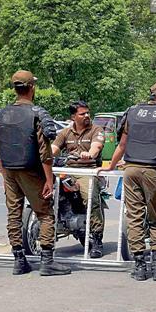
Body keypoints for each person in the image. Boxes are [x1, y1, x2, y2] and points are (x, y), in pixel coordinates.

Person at [0, 70, 70, 276]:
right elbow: (45, 153)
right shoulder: (37, 113)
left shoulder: (1, 114)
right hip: (31, 171)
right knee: (45, 213)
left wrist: (5, 176)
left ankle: (19, 260)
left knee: (14, 215)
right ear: (32, 88)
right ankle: (47, 261)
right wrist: (49, 180)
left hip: (9, 170)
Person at [104, 83, 156, 282]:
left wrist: (111, 166)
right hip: (154, 171)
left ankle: (139, 265)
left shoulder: (132, 112)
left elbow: (122, 144)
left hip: (131, 170)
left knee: (135, 217)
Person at [51, 101, 106, 258]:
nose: (87, 116)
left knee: (90, 199)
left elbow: (96, 147)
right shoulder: (65, 132)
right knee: (47, 191)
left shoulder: (96, 130)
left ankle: (96, 240)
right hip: (67, 170)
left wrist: (90, 153)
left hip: (87, 171)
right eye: (82, 114)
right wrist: (44, 155)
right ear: (73, 116)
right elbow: (54, 149)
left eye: (88, 112)